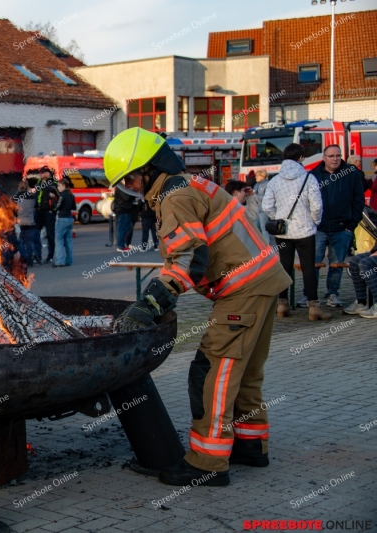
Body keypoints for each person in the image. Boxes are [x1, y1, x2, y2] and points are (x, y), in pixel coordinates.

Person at [104, 127, 291, 487]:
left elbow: (189, 259)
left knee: (211, 374)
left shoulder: (174, 196)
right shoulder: (188, 184)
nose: (131, 187)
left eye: (130, 178)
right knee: (245, 371)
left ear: (150, 168)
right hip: (265, 282)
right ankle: (250, 445)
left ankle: (207, 462)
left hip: (243, 290)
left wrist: (150, 303)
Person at [261, 144, 328, 320]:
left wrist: (278, 218)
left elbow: (266, 206)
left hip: (283, 231)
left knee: (285, 266)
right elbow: (317, 205)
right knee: (308, 268)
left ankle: (282, 305)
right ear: (301, 158)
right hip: (305, 230)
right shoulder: (309, 178)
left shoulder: (275, 180)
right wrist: (315, 221)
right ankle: (314, 308)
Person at [302, 145, 365, 308]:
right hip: (318, 228)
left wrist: (351, 225)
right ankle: (309, 296)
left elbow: (358, 200)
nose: (335, 159)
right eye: (331, 156)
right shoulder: (313, 175)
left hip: (342, 227)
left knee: (336, 265)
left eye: (338, 155)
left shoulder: (351, 174)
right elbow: (305, 202)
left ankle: (332, 294)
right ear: (324, 158)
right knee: (313, 263)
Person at [35, 168, 58, 264]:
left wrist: (53, 210)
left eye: (43, 173)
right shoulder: (39, 183)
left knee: (50, 235)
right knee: (36, 233)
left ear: (48, 173)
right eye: (40, 173)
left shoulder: (53, 183)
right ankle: (37, 255)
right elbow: (36, 195)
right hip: (39, 212)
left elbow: (58, 197)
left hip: (49, 212)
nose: (41, 174)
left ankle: (50, 256)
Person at [53, 180, 76, 267]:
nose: (58, 188)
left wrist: (53, 199)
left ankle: (59, 261)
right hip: (69, 219)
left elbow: (56, 207)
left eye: (59, 186)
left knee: (58, 240)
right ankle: (69, 261)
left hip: (62, 219)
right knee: (68, 240)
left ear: (63, 185)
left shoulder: (62, 195)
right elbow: (74, 207)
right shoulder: (71, 195)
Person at [16, 181, 37, 267]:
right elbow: (36, 206)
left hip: (20, 222)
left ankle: (23, 259)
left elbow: (13, 209)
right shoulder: (32, 196)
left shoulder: (17, 197)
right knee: (29, 243)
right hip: (30, 222)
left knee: (21, 243)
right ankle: (30, 261)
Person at [112, 185, 137, 252]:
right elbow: (126, 198)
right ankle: (121, 246)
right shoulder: (122, 188)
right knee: (122, 228)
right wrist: (133, 193)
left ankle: (123, 244)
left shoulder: (121, 187)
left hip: (123, 209)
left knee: (125, 228)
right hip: (123, 209)